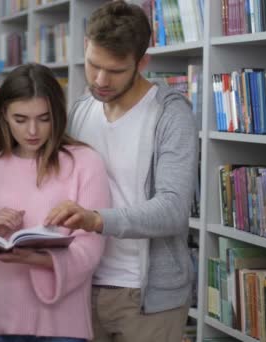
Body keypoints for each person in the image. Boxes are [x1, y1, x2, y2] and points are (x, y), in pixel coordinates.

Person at [44, 1, 198, 341]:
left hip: (148, 298)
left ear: (142, 62)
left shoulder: (171, 115)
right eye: (93, 65)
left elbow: (173, 210)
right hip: (82, 285)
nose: (100, 80)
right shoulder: (82, 109)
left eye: (114, 71)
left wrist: (96, 219)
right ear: (84, 46)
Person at [0, 63, 111, 342]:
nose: (33, 130)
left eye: (43, 118)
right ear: (3, 114)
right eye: (20, 119)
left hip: (62, 324)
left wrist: (36, 259)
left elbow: (91, 249)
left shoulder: (85, 162)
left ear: (57, 114)